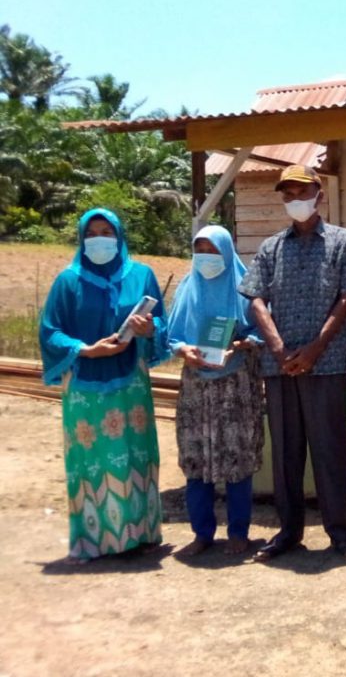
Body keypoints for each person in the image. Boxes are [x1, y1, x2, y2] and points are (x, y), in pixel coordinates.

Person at [239, 164, 346, 562]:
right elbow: (256, 297)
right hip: (279, 368)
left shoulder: (344, 242)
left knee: (329, 450)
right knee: (286, 453)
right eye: (288, 194)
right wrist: (277, 347)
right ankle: (289, 531)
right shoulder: (271, 247)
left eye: (302, 191)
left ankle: (340, 534)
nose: (295, 200)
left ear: (319, 194)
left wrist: (315, 347)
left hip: (325, 364)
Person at [39, 208, 169, 563]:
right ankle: (95, 540)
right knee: (92, 461)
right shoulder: (68, 281)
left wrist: (150, 329)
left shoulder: (142, 275)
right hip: (85, 388)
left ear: (120, 236)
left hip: (131, 385)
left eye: (106, 231)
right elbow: (50, 330)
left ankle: (141, 534)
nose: (100, 238)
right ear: (82, 238)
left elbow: (163, 325)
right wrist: (85, 350)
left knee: (135, 454)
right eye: (92, 232)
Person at [168, 225, 265, 557]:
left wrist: (236, 345)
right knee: (196, 460)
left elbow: (261, 331)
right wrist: (185, 350)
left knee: (236, 460)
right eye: (201, 250)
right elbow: (172, 335)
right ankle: (202, 532)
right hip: (196, 387)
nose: (206, 258)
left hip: (235, 386)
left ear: (227, 251)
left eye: (213, 250)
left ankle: (239, 532)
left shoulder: (245, 287)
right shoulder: (186, 287)